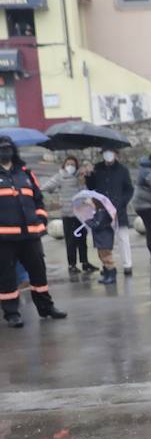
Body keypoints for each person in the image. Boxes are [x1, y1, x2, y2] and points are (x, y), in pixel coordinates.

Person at [0, 135, 65, 327]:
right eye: (1, 149)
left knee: (39, 274)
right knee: (6, 277)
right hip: (4, 238)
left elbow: (38, 199)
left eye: (8, 148)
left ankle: (46, 308)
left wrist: (42, 218)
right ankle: (12, 313)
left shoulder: (26, 173)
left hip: (31, 235)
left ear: (13, 150)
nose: (5, 152)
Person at [44, 154, 97, 275]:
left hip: (81, 213)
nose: (70, 166)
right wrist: (52, 202)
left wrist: (86, 177)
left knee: (82, 240)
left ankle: (85, 262)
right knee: (71, 241)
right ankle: (71, 264)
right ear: (64, 165)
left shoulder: (81, 176)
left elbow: (89, 190)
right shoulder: (60, 176)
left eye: (73, 164)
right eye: (68, 164)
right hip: (67, 213)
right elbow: (44, 189)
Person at [87, 148, 135, 276]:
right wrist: (89, 174)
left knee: (123, 237)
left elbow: (129, 189)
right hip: (102, 210)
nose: (108, 155)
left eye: (111, 152)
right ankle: (108, 267)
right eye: (105, 152)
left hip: (118, 209)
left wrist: (122, 202)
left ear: (116, 154)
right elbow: (91, 187)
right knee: (104, 240)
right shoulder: (97, 168)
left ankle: (127, 265)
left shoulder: (123, 170)